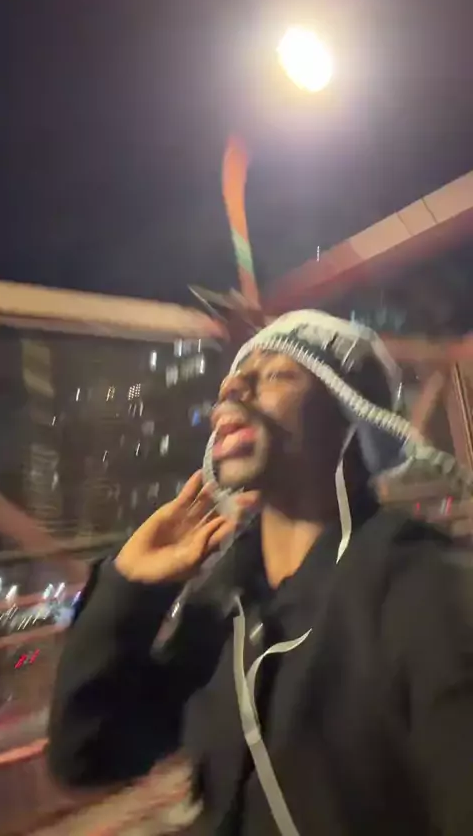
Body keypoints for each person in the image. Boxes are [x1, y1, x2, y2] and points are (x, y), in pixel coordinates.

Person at [48, 310, 473, 836]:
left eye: (276, 374)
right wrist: (128, 587)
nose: (231, 387)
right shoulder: (223, 603)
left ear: (350, 417)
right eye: (234, 377)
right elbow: (88, 755)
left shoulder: (425, 591)